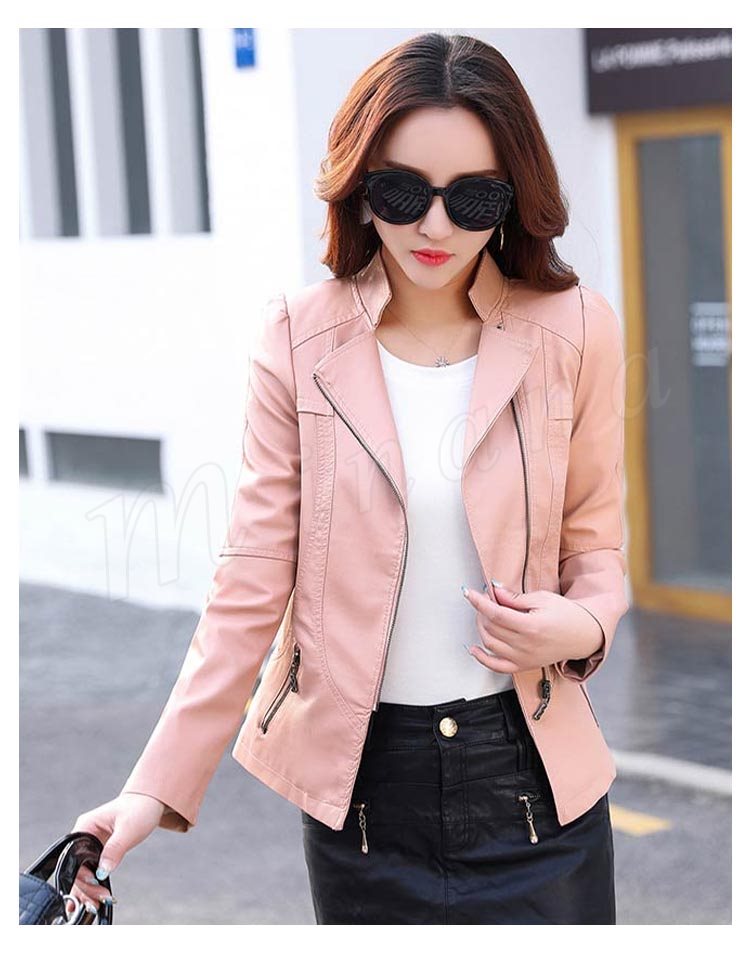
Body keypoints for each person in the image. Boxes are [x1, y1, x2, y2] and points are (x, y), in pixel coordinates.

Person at [70, 32, 627, 924]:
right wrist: (152, 786)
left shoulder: (576, 329)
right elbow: (253, 578)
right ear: (360, 187)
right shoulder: (298, 338)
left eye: (472, 198)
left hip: (534, 789)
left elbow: (595, 547)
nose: (435, 228)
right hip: (364, 804)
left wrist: (584, 621)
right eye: (404, 192)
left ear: (513, 198)